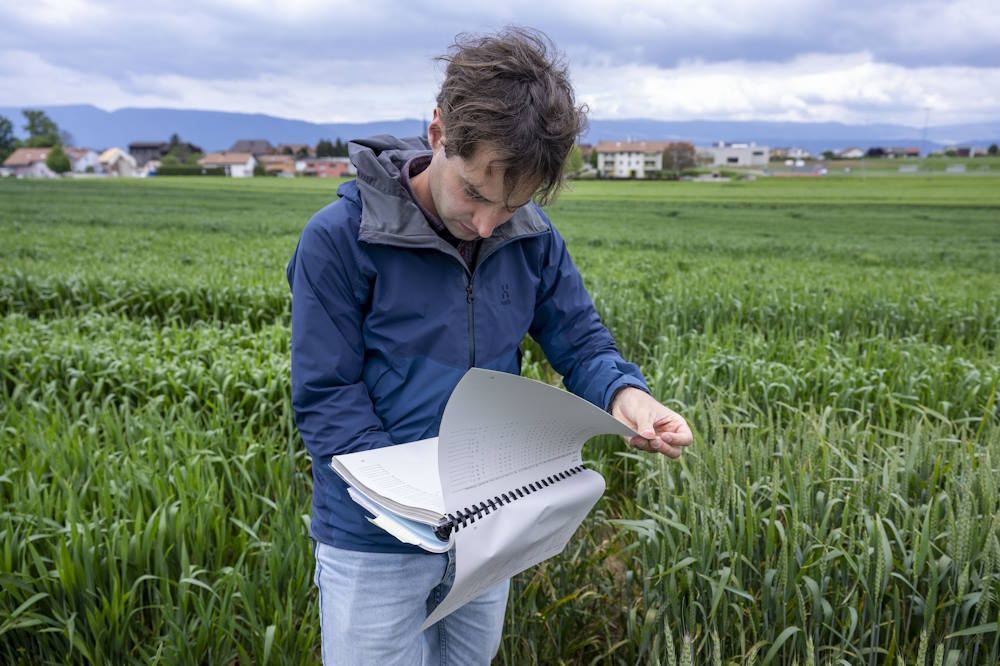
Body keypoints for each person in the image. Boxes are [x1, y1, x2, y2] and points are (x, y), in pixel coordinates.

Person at [286, 27, 693, 665]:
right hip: (373, 541)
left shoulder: (531, 237)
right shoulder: (340, 239)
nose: (485, 225)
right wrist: (413, 505)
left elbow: (581, 343)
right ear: (439, 131)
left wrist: (628, 396)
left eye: (510, 206)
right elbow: (325, 397)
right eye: (475, 193)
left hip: (486, 525)